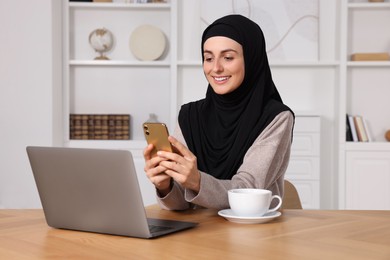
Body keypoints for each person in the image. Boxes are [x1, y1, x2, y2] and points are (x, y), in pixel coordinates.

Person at [143, 14, 294, 210]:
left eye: (228, 57)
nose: (216, 68)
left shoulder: (276, 118)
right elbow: (181, 204)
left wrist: (196, 181)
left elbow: (248, 189)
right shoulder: (190, 116)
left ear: (251, 58)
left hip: (253, 232)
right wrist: (165, 186)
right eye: (208, 58)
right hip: (198, 234)